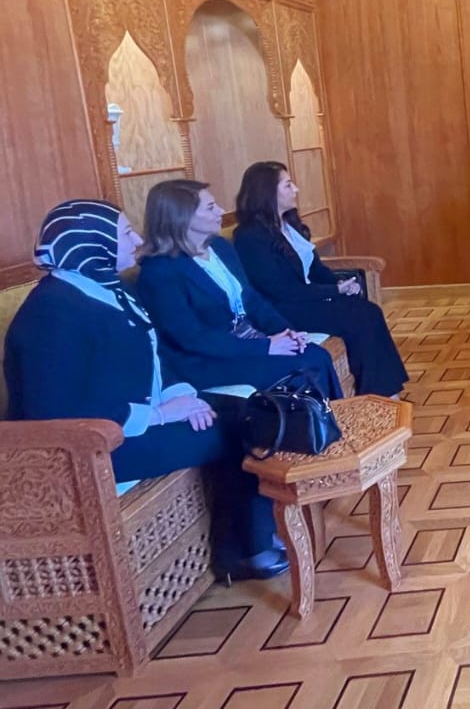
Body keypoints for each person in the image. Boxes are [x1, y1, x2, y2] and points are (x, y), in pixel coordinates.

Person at [3, 200, 287, 581]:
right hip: (91, 448)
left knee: (249, 410)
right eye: (124, 233)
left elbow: (156, 354)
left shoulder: (107, 287)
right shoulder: (51, 314)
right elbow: (56, 409)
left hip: (138, 418)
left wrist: (182, 395)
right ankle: (246, 552)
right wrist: (160, 414)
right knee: (231, 431)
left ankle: (253, 538)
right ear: (91, 242)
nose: (137, 239)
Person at [135, 180, 342, 398]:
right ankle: (317, 420)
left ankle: (336, 417)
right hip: (205, 360)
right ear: (182, 217)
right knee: (303, 366)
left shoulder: (220, 247)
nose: (221, 211)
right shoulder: (159, 272)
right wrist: (266, 346)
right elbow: (192, 338)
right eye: (210, 207)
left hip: (244, 341)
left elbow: (252, 300)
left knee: (315, 354)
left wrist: (285, 331)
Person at [233, 162, 408, 398]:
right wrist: (333, 291)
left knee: (369, 312)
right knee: (361, 316)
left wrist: (340, 285)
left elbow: (315, 269)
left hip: (307, 300)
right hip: (285, 309)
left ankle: (385, 393)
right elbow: (280, 290)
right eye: (288, 185)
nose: (295, 190)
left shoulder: (289, 225)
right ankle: (378, 395)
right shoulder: (250, 237)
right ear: (267, 192)